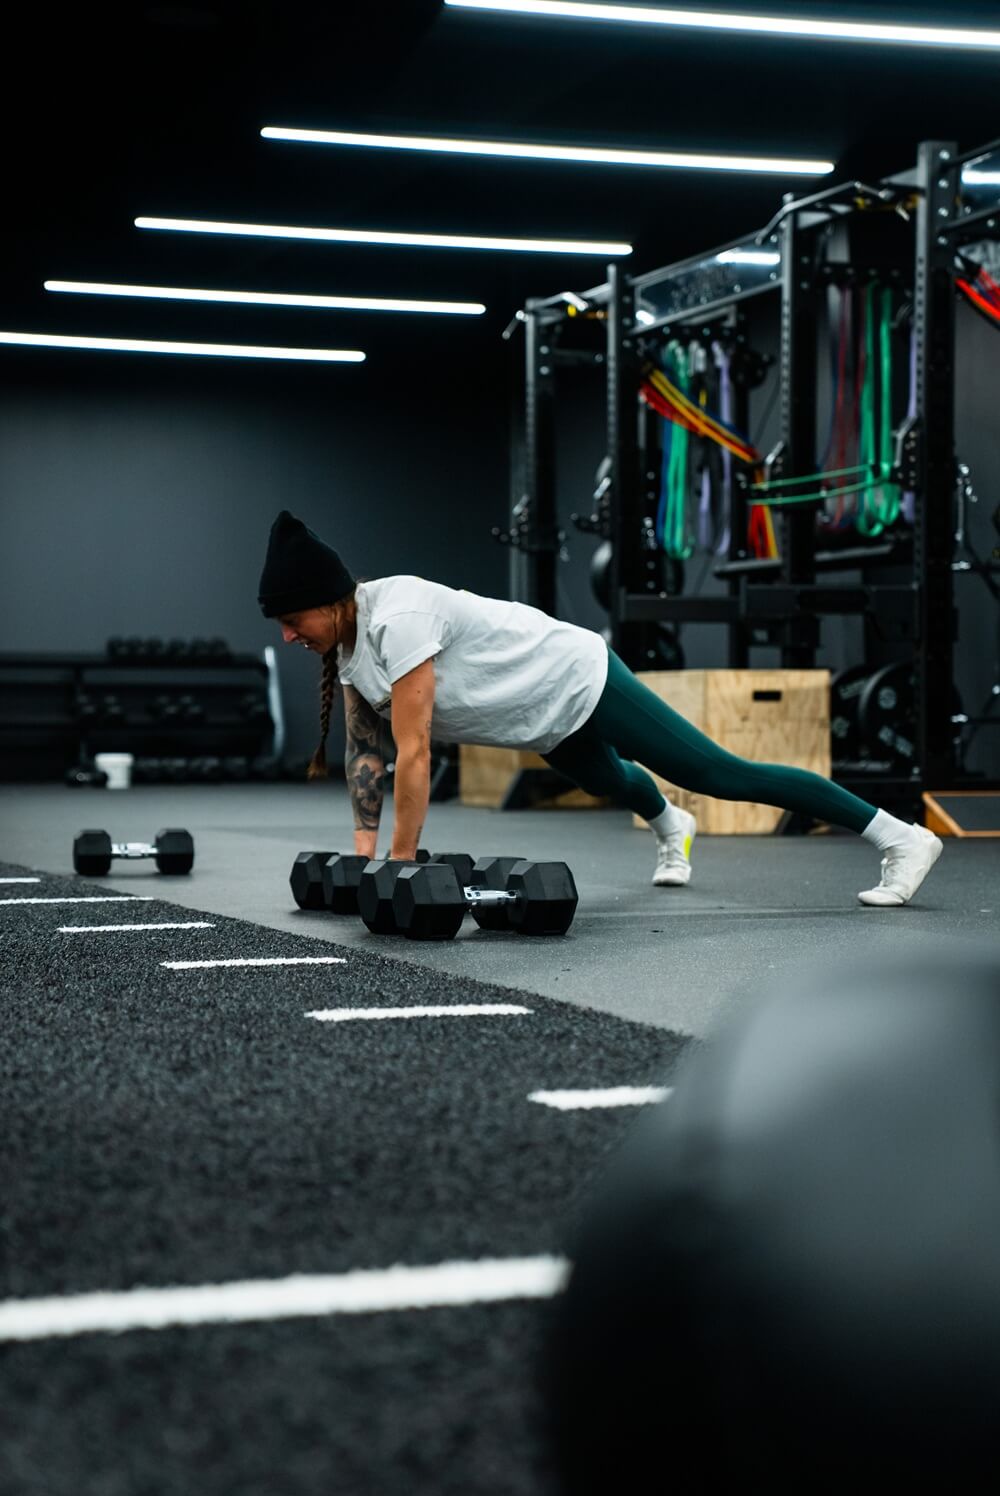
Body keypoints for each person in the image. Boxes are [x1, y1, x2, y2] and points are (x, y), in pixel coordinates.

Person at [257, 510, 942, 906]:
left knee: (721, 772)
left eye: (292, 619)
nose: (288, 636)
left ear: (331, 598)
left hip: (578, 675)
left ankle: (900, 838)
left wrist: (398, 867)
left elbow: (414, 751)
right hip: (537, 716)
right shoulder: (345, 649)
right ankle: (673, 823)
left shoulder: (396, 615)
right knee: (610, 781)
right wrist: (362, 858)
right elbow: (367, 757)